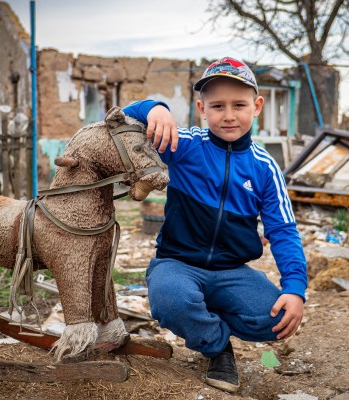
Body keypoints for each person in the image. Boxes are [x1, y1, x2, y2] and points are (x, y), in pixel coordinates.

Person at [122, 57, 308, 393]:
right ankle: (217, 347)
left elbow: (283, 231)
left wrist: (295, 288)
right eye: (218, 105)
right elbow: (123, 117)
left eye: (239, 105)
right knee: (172, 301)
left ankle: (209, 310)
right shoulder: (185, 146)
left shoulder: (265, 168)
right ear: (202, 108)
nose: (229, 114)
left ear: (257, 106)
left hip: (231, 271)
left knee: (279, 319)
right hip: (177, 264)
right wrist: (155, 108)